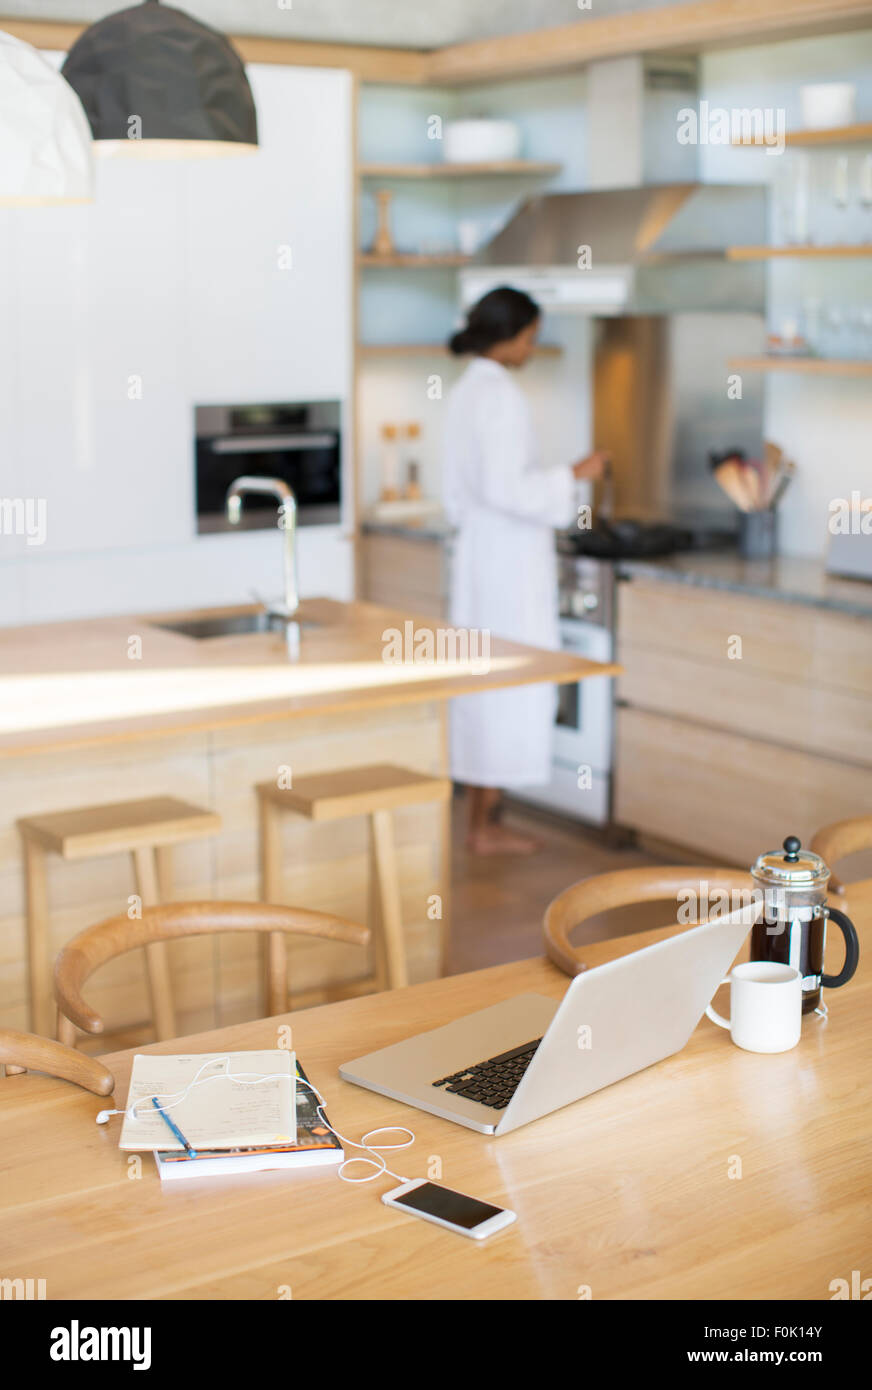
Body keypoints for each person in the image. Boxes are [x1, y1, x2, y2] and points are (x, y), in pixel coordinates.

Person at [442, 286, 609, 856]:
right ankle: (483, 827)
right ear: (509, 336)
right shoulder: (500, 397)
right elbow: (508, 488)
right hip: (507, 563)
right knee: (510, 689)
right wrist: (574, 473)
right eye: (531, 337)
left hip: (486, 558)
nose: (532, 348)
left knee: (489, 687)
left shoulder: (469, 391)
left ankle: (482, 821)